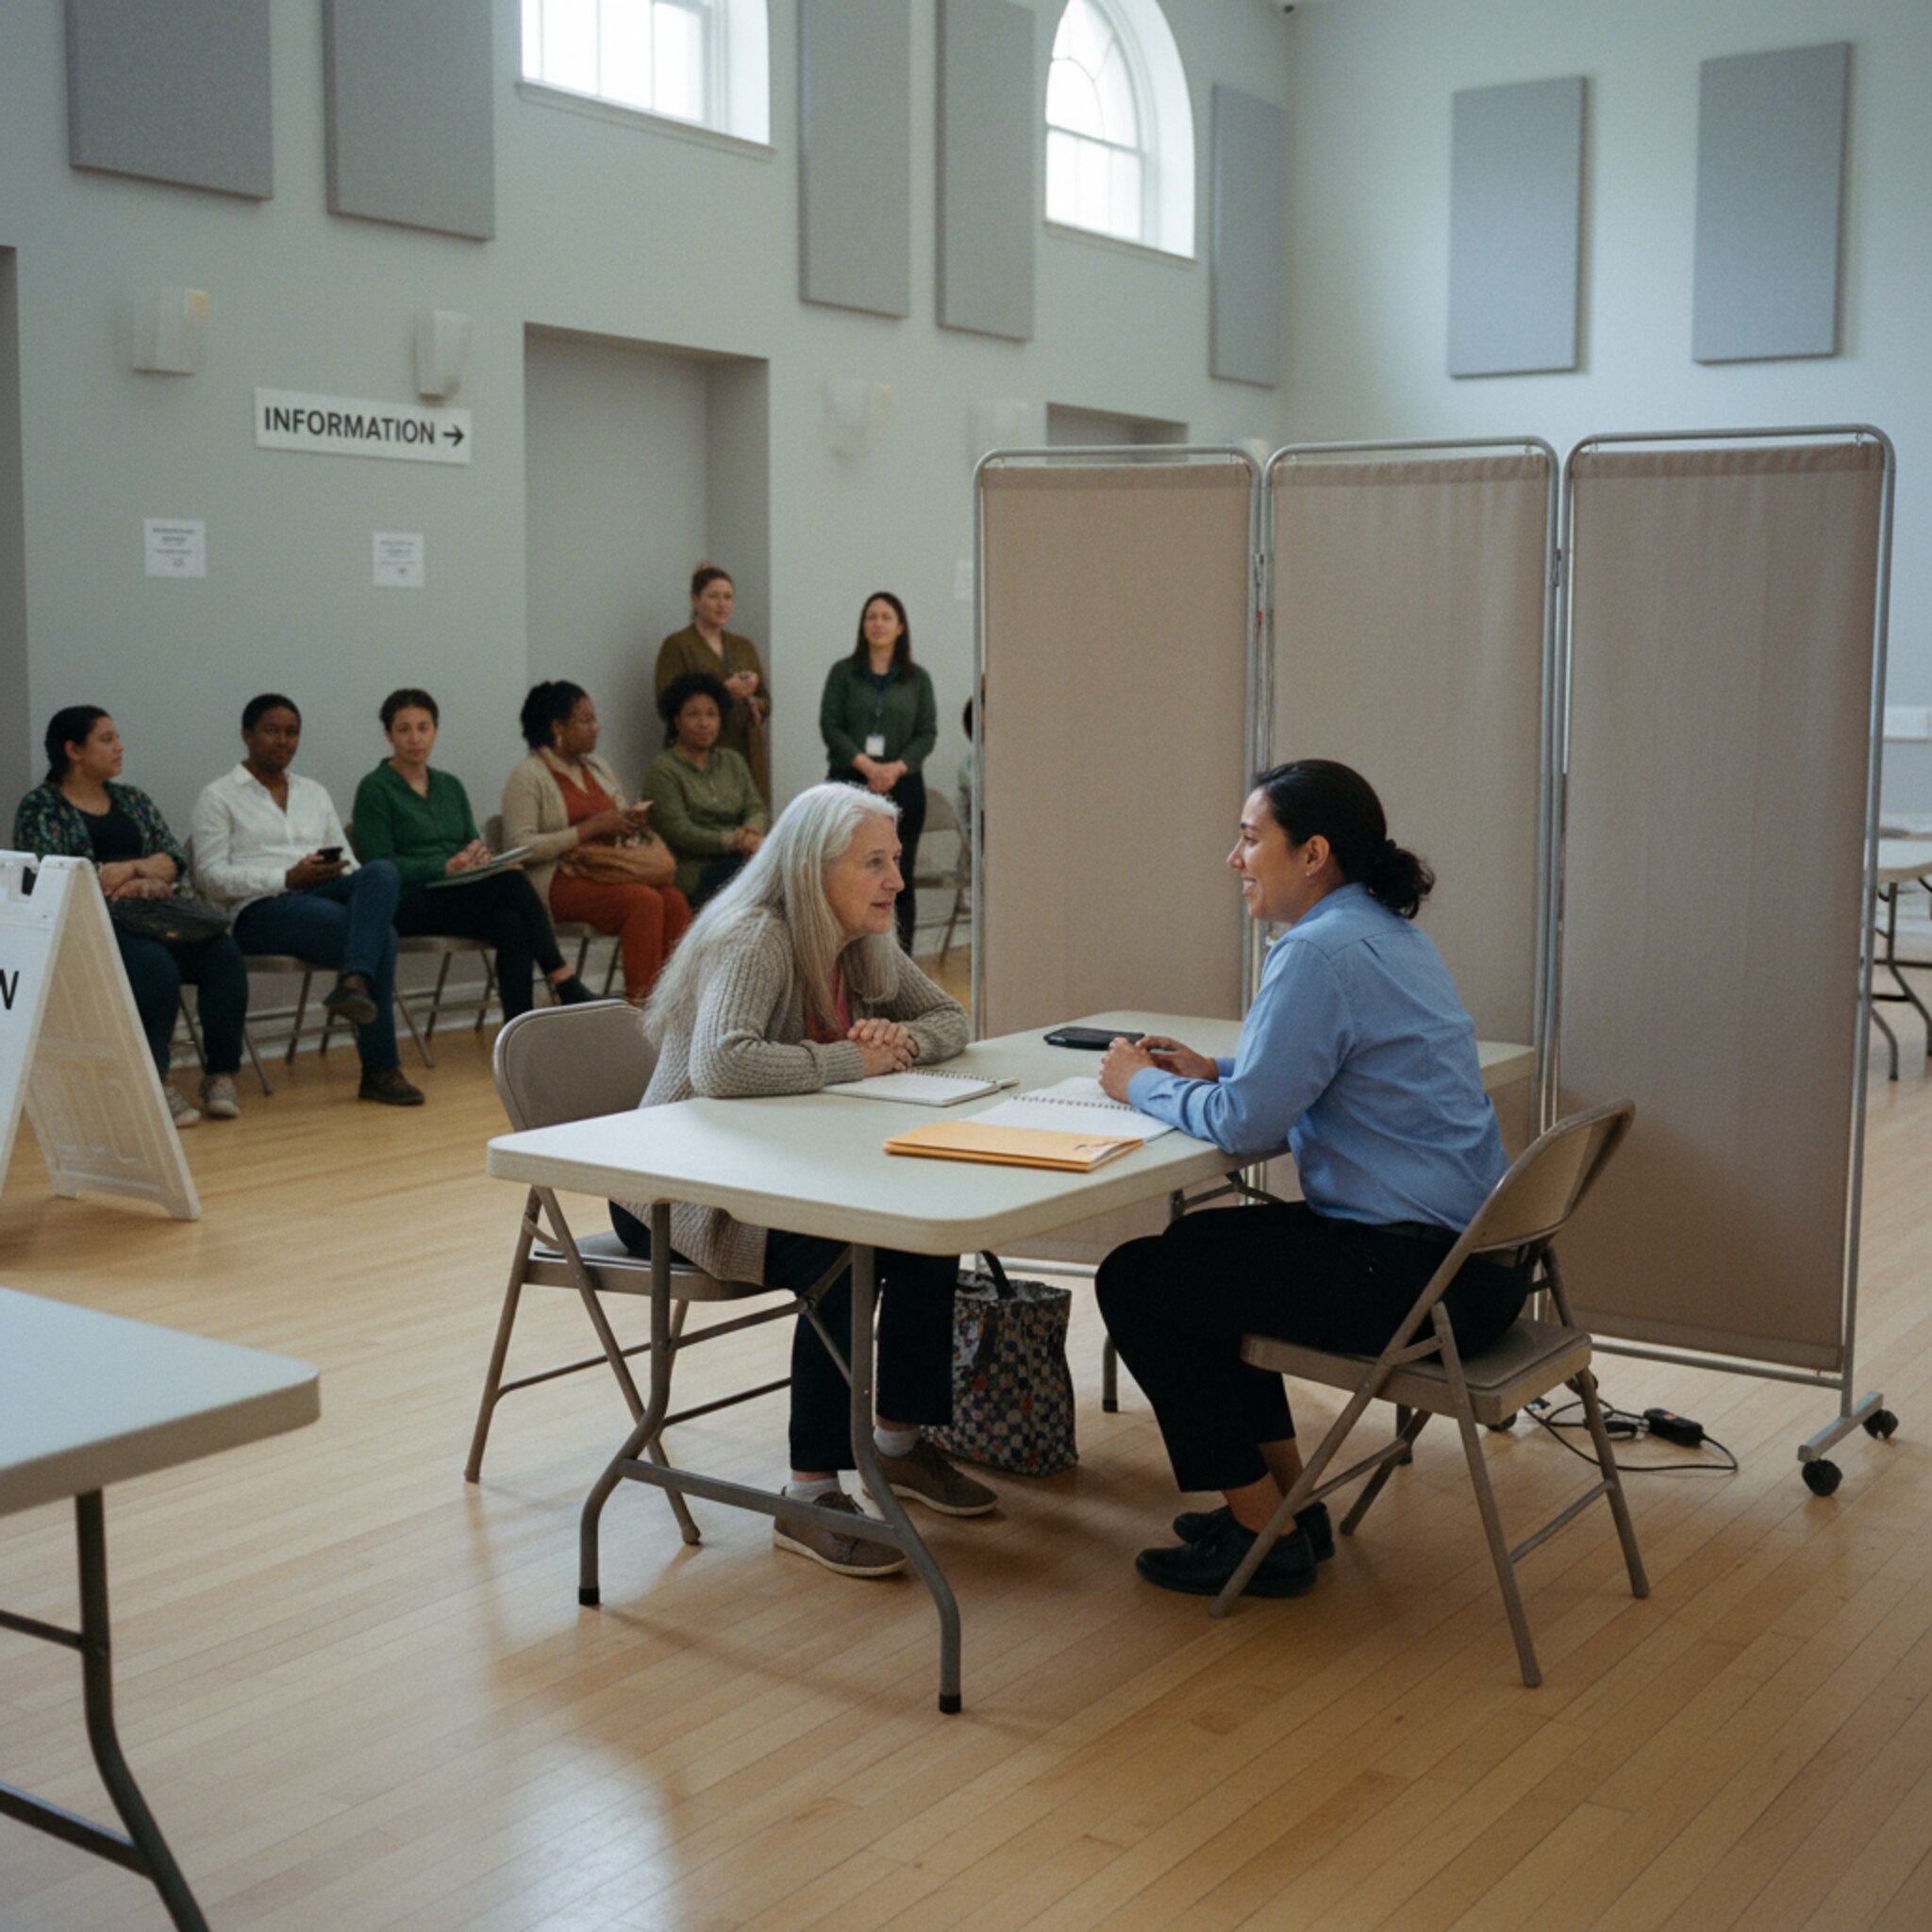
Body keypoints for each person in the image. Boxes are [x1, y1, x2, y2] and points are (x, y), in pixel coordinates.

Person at [1093, 759, 1529, 1601]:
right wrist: (1219, 1066)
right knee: (1197, 1247)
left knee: (1139, 1282)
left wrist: (1137, 1083)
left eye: (1251, 839)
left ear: (1313, 854)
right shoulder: (1385, 933)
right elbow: (1329, 1066)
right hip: (1480, 1271)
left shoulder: (1315, 953)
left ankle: (1266, 1534)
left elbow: (1246, 1125)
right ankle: (1286, 1508)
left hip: (1414, 1283)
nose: (1235, 859)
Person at [610, 783, 995, 1578]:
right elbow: (722, 1064)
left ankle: (896, 1444)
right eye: (875, 863)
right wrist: (853, 1059)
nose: (895, 879)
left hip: (779, 1168)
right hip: (678, 1191)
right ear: (812, 871)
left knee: (924, 1221)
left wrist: (902, 1040)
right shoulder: (757, 935)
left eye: (895, 859)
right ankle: (809, 1491)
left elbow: (951, 1020)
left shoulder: (861, 938)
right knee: (840, 1246)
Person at [12, 707, 248, 1128]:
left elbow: (172, 858)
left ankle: (220, 1074)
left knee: (222, 955)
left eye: (117, 737)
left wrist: (130, 873)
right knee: (154, 967)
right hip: (89, 928)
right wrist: (129, 877)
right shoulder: (41, 807)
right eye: (106, 739)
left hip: (156, 914)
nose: (119, 747)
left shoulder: (133, 799)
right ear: (73, 750)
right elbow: (61, 873)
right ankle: (153, 1081)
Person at [192, 693, 423, 1106]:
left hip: (319, 892)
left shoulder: (313, 792)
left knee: (383, 871)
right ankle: (380, 1069)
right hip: (259, 909)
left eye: (292, 732)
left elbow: (351, 863)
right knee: (382, 937)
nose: (283, 740)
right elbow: (209, 877)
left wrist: (331, 873)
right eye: (272, 731)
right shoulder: (219, 796)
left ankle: (355, 981)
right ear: (247, 735)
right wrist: (285, 876)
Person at [351, 689, 592, 1023]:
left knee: (511, 925)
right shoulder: (375, 788)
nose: (415, 738)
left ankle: (518, 1029)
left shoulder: (450, 785)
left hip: (458, 893)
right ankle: (562, 977)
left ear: (435, 731)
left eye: (423, 728)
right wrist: (443, 866)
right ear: (388, 735)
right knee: (511, 882)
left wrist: (478, 855)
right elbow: (381, 863)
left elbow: (469, 840)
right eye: (404, 729)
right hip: (407, 900)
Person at [502, 680, 691, 1004]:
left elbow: (613, 818)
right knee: (642, 901)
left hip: (609, 869)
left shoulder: (598, 767)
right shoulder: (528, 774)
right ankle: (641, 1006)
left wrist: (629, 823)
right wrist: (586, 830)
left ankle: (680, 1001)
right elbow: (520, 847)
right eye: (585, 721)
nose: (596, 728)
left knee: (672, 898)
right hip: (558, 879)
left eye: (594, 719)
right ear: (557, 727)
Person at [819, 591, 938, 953]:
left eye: (887, 617)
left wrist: (895, 769)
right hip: (850, 783)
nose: (878, 623)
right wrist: (868, 766)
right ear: (863, 625)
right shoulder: (843, 673)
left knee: (897, 877)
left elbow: (926, 733)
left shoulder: (917, 679)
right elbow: (831, 726)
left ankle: (901, 961)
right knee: (847, 874)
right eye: (872, 616)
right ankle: (847, 956)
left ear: (900, 627)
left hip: (904, 787)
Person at [642, 671, 770, 909]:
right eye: (693, 714)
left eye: (711, 714)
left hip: (740, 857)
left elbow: (757, 808)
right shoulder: (664, 769)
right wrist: (733, 841)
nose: (704, 723)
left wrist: (752, 831)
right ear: (676, 721)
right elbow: (680, 832)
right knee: (762, 881)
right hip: (692, 869)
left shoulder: (733, 761)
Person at [654, 562, 773, 807]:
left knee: (750, 822)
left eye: (728, 597)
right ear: (695, 600)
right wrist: (722, 690)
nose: (722, 604)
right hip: (699, 752)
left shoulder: (743, 646)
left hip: (745, 749)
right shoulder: (678, 645)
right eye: (714, 596)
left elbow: (766, 702)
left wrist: (751, 698)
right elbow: (665, 703)